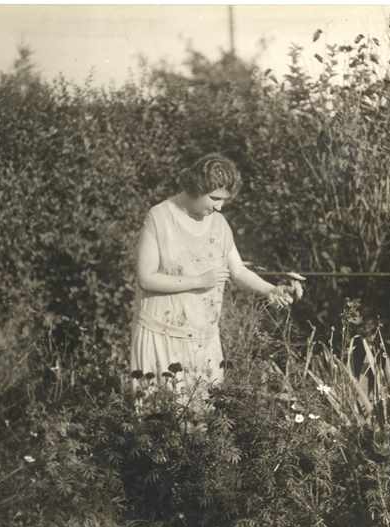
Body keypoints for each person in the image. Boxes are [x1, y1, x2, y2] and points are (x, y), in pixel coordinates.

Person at [130, 153, 303, 403]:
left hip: (204, 340)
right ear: (195, 188)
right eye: (214, 198)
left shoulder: (218, 224)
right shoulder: (159, 218)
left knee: (203, 425)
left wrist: (270, 290)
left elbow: (239, 271)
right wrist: (199, 281)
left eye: (224, 200)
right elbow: (146, 278)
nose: (219, 206)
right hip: (162, 338)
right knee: (160, 423)